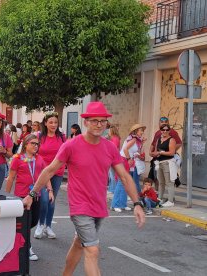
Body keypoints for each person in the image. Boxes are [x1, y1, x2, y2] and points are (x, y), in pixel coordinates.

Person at [23, 102, 145, 276]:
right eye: (94, 120)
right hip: (80, 205)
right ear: (86, 122)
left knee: (80, 243)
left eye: (102, 121)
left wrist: (137, 203)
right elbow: (50, 170)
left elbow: (125, 176)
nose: (98, 124)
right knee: (92, 250)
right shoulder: (71, 145)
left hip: (98, 205)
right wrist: (32, 194)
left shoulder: (109, 147)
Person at [5, 134, 53, 262]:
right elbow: (11, 178)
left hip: (36, 195)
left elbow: (46, 175)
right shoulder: (17, 158)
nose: (35, 146)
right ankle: (27, 247)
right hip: (22, 196)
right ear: (26, 144)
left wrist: (50, 190)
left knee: (33, 221)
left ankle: (18, 239)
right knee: (26, 222)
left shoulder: (40, 159)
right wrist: (6, 196)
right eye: (33, 143)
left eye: (37, 144)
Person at [34, 112, 66, 239]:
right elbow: (33, 152)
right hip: (43, 172)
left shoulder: (62, 137)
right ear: (45, 123)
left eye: (55, 122)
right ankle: (40, 224)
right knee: (44, 200)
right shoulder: (39, 136)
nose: (53, 125)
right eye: (51, 122)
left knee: (52, 201)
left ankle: (48, 226)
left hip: (57, 172)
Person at [111, 124, 146, 212]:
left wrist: (143, 143)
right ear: (136, 131)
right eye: (141, 130)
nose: (142, 132)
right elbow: (126, 149)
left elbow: (139, 152)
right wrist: (129, 159)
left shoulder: (136, 140)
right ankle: (115, 204)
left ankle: (123, 204)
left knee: (125, 183)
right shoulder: (133, 139)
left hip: (128, 160)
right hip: (124, 160)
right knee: (121, 182)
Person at [148, 116, 182, 189]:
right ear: (159, 123)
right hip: (157, 158)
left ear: (168, 123)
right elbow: (153, 143)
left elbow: (179, 143)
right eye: (162, 122)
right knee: (154, 176)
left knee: (169, 178)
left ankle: (171, 196)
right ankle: (157, 193)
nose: (164, 124)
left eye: (165, 122)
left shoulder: (172, 132)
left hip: (167, 159)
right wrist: (150, 152)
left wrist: (169, 151)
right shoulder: (158, 132)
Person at [150, 124, 177, 207]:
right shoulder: (158, 139)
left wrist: (161, 152)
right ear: (160, 130)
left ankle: (170, 201)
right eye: (163, 130)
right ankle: (160, 198)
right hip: (159, 163)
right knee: (161, 182)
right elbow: (155, 151)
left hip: (167, 163)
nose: (165, 131)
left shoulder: (172, 140)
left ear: (169, 131)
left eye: (167, 130)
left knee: (169, 182)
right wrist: (153, 154)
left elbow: (172, 153)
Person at [107, 125, 121, 193]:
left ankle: (113, 189)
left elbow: (113, 150)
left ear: (112, 131)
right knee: (111, 175)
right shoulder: (114, 138)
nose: (108, 132)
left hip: (113, 159)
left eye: (109, 131)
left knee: (113, 175)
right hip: (113, 158)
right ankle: (112, 189)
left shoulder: (115, 139)